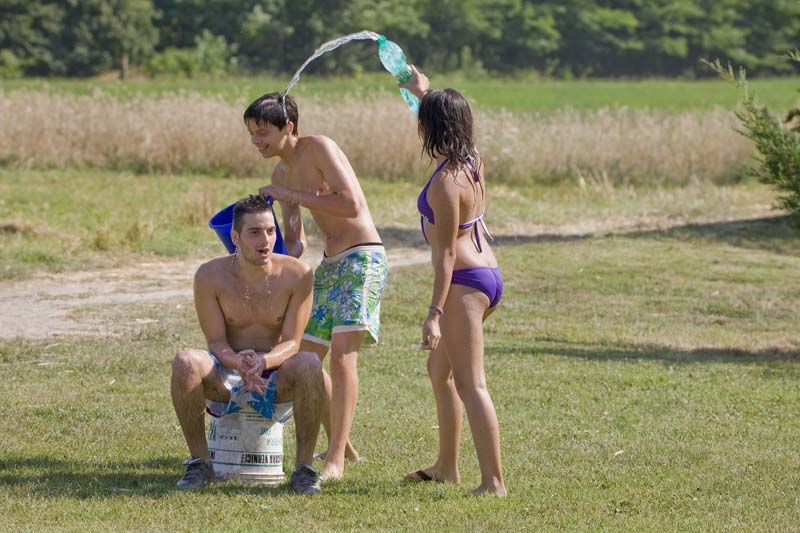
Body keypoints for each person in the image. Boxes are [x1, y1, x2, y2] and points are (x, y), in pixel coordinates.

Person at [244, 92, 388, 481]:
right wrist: (272, 267)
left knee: (342, 357)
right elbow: (296, 242)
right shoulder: (280, 175)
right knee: (304, 360)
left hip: (362, 257)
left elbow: (351, 205)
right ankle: (345, 444)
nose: (257, 141)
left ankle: (336, 460)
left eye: (263, 133)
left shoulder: (319, 148)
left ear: (288, 127)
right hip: (329, 265)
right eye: (252, 134)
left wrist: (289, 195)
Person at [171, 195, 324, 494]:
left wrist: (264, 362)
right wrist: (238, 362)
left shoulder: (298, 274)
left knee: (310, 363)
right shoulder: (209, 275)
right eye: (254, 232)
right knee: (185, 361)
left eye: (270, 231)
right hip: (226, 373)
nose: (265, 240)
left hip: (275, 376)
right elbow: (215, 341)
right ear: (235, 237)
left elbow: (293, 341)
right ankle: (199, 463)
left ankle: (304, 470)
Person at [399, 67, 507, 496]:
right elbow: (439, 117)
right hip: (488, 274)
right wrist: (421, 91)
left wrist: (434, 314)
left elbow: (444, 254)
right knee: (438, 371)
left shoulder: (446, 183)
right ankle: (446, 466)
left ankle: (493, 482)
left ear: (432, 128)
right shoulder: (471, 160)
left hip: (463, 282)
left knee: (471, 383)